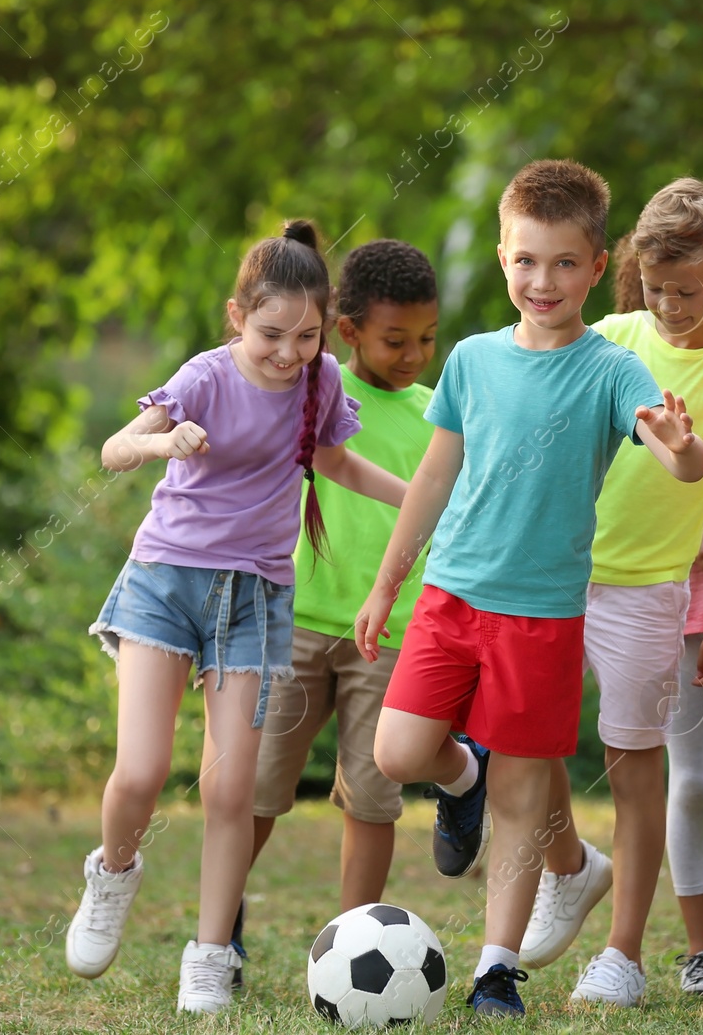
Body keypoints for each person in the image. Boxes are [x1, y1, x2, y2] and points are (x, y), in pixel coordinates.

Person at [356, 159, 703, 1018]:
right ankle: (462, 779)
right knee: (399, 755)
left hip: (542, 616)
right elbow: (435, 482)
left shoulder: (611, 369)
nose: (540, 281)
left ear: (596, 269)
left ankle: (496, 968)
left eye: (561, 264)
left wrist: (683, 444)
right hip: (449, 597)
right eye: (524, 260)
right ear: (503, 255)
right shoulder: (473, 361)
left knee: (523, 793)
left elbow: (677, 456)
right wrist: (385, 583)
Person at [66, 221, 408, 1015]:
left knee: (232, 792)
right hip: (166, 582)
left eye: (308, 336)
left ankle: (210, 956)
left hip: (255, 598)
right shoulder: (206, 378)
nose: (288, 354)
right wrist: (165, 443)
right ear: (236, 318)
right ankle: (112, 872)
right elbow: (115, 448)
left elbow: (332, 460)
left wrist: (422, 499)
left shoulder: (321, 383)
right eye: (270, 335)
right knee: (144, 771)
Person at [516, 179, 703, 1006]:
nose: (666, 306)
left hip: (649, 596)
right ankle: (566, 868)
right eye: (654, 289)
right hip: (557, 578)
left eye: (686, 291)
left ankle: (623, 954)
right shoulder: (612, 336)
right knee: (529, 744)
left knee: (635, 769)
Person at [248, 238, 440, 926]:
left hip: (389, 634)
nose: (414, 354)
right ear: (349, 331)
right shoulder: (313, 385)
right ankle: (224, 925)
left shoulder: (437, 414)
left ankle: (355, 938)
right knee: (259, 789)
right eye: (396, 340)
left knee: (372, 798)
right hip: (296, 621)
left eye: (426, 338)